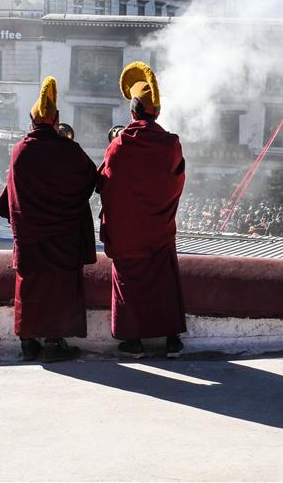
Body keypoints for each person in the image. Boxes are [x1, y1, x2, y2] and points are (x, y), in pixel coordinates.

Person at [0, 76, 97, 363]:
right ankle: (55, 342)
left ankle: (28, 341)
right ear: (56, 119)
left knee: (31, 285)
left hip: (30, 234)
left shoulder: (20, 150)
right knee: (61, 286)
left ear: (32, 119)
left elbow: (13, 192)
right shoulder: (69, 150)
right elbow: (91, 180)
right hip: (63, 234)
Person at [97, 61, 186, 359]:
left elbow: (106, 184)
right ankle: (172, 339)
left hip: (128, 231)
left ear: (133, 112)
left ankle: (133, 341)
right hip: (159, 228)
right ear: (156, 112)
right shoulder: (172, 144)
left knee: (129, 282)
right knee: (164, 281)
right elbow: (176, 183)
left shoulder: (119, 145)